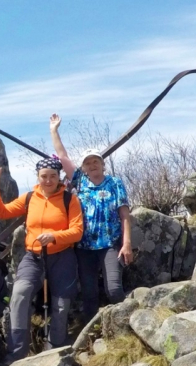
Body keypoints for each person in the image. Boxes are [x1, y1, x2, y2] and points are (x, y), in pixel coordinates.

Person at [0, 158, 83, 366]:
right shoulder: (30, 198)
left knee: (61, 303)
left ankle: (55, 348)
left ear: (59, 178)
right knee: (20, 293)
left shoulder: (69, 200)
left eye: (53, 176)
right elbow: (1, 212)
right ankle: (17, 353)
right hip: (33, 256)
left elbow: (77, 231)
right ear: (37, 177)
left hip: (62, 256)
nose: (48, 180)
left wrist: (55, 236)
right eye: (44, 176)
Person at [49, 113, 134, 322]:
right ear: (84, 167)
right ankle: (92, 335)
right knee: (89, 294)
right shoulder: (80, 181)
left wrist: (127, 244)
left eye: (96, 161)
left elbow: (124, 215)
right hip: (84, 247)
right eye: (88, 162)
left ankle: (128, 326)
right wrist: (54, 131)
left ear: (102, 164)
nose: (92, 165)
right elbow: (62, 157)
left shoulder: (115, 183)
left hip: (109, 245)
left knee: (114, 288)